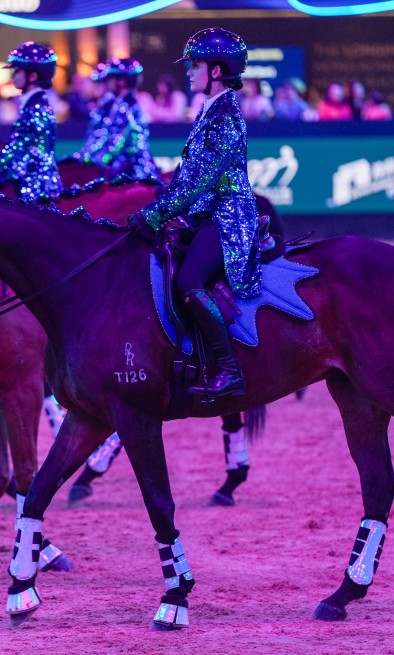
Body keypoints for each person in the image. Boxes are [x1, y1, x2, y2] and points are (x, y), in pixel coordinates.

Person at [128, 27, 260, 400]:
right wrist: (154, 207)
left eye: (195, 64)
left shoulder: (225, 118)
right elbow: (185, 178)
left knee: (189, 282)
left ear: (216, 70)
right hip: (204, 215)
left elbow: (199, 183)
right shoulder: (208, 112)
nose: (189, 72)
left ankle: (230, 370)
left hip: (227, 217)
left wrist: (153, 216)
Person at [0, 42, 62, 203]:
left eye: (17, 71)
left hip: (35, 190)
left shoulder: (35, 108)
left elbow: (13, 150)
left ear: (33, 76)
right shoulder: (34, 103)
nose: (13, 76)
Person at [78, 57, 159, 181]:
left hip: (133, 172)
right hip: (123, 167)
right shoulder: (118, 104)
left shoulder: (126, 107)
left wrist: (92, 161)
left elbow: (116, 142)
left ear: (121, 81)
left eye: (110, 78)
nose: (106, 83)